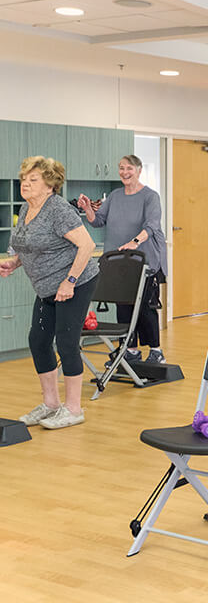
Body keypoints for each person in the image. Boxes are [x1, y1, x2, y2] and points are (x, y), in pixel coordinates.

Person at [0, 156, 99, 429]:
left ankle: (74, 409)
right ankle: (51, 404)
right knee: (39, 340)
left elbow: (87, 245)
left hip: (75, 284)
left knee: (66, 342)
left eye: (33, 180)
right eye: (24, 179)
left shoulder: (57, 209)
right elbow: (29, 247)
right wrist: (14, 262)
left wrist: (69, 281)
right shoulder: (26, 207)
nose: (26, 184)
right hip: (46, 288)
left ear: (49, 185)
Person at [77, 154, 168, 363]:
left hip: (143, 261)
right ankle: (130, 349)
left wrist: (134, 242)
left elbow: (152, 226)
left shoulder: (150, 196)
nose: (124, 172)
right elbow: (98, 221)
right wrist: (87, 209)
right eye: (121, 168)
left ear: (138, 170)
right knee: (123, 306)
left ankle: (156, 351)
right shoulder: (115, 196)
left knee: (145, 306)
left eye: (129, 168)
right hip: (118, 262)